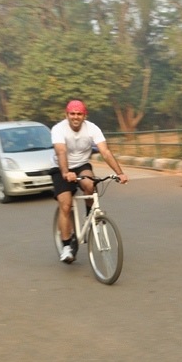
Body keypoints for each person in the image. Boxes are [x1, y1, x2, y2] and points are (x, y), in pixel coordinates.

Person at [51, 100, 129, 263]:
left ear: (84, 115)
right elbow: (61, 151)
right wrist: (66, 172)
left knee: (89, 184)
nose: (75, 117)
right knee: (65, 205)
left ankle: (90, 217)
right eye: (72, 114)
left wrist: (120, 173)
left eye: (79, 114)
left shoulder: (92, 128)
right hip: (60, 167)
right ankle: (66, 246)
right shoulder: (58, 129)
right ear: (66, 115)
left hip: (82, 165)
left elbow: (105, 152)